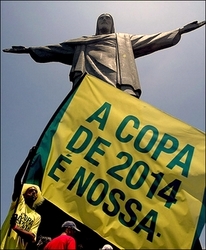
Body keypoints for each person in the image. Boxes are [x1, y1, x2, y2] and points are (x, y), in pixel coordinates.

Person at [2, 14, 205, 98]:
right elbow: (55, 49)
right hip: (88, 82)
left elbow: (152, 39)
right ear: (97, 25)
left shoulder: (123, 40)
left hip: (119, 80)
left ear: (112, 24)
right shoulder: (82, 42)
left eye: (107, 18)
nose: (104, 21)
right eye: (101, 19)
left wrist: (180, 30)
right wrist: (29, 49)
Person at [0, 147, 44, 250]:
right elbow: (18, 178)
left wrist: (15, 227)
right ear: (24, 195)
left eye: (35, 192)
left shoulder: (36, 216)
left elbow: (32, 238)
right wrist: (29, 158)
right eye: (30, 190)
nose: (33, 192)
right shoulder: (19, 203)